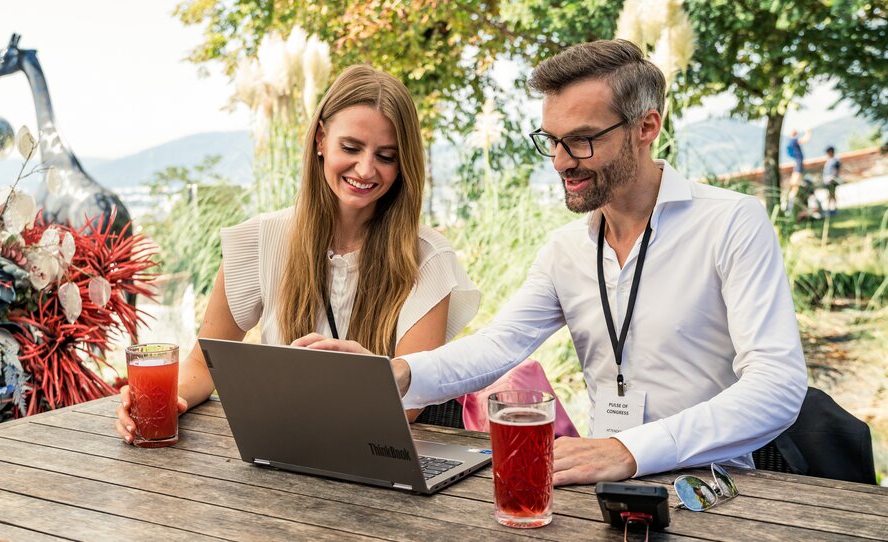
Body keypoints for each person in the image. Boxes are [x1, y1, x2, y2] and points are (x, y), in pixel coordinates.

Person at [305, 40, 807, 485]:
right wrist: (394, 373)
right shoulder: (565, 249)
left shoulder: (732, 223)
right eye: (551, 140)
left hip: (714, 487)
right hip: (602, 481)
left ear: (646, 127)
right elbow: (500, 345)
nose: (562, 161)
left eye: (582, 139)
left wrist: (629, 450)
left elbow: (777, 385)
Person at [115, 65, 480, 443]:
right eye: (351, 148)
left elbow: (411, 406)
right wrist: (165, 399)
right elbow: (203, 364)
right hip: (285, 453)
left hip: (384, 465)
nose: (366, 168)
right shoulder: (260, 239)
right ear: (321, 139)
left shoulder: (427, 257)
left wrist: (369, 371)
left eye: (386, 156)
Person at [785, 128, 812, 213]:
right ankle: (791, 207)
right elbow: (805, 140)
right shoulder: (794, 141)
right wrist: (808, 132)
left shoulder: (791, 142)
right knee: (794, 186)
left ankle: (791, 207)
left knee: (794, 186)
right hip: (798, 165)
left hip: (796, 164)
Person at [822, 146, 842, 214]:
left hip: (832, 180)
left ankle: (832, 209)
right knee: (830, 194)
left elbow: (836, 170)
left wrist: (833, 178)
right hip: (827, 180)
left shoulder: (835, 160)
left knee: (832, 194)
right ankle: (830, 209)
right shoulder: (829, 160)